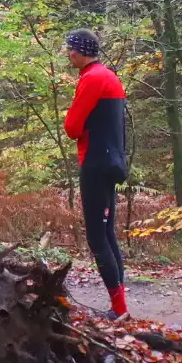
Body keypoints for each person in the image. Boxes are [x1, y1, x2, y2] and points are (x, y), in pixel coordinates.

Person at [63, 28, 129, 320]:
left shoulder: (92, 79)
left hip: (94, 163)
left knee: (97, 237)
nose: (68, 54)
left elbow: (72, 127)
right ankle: (120, 306)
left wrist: (80, 125)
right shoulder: (110, 76)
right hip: (111, 162)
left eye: (71, 49)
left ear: (81, 51)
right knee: (107, 234)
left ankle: (120, 309)